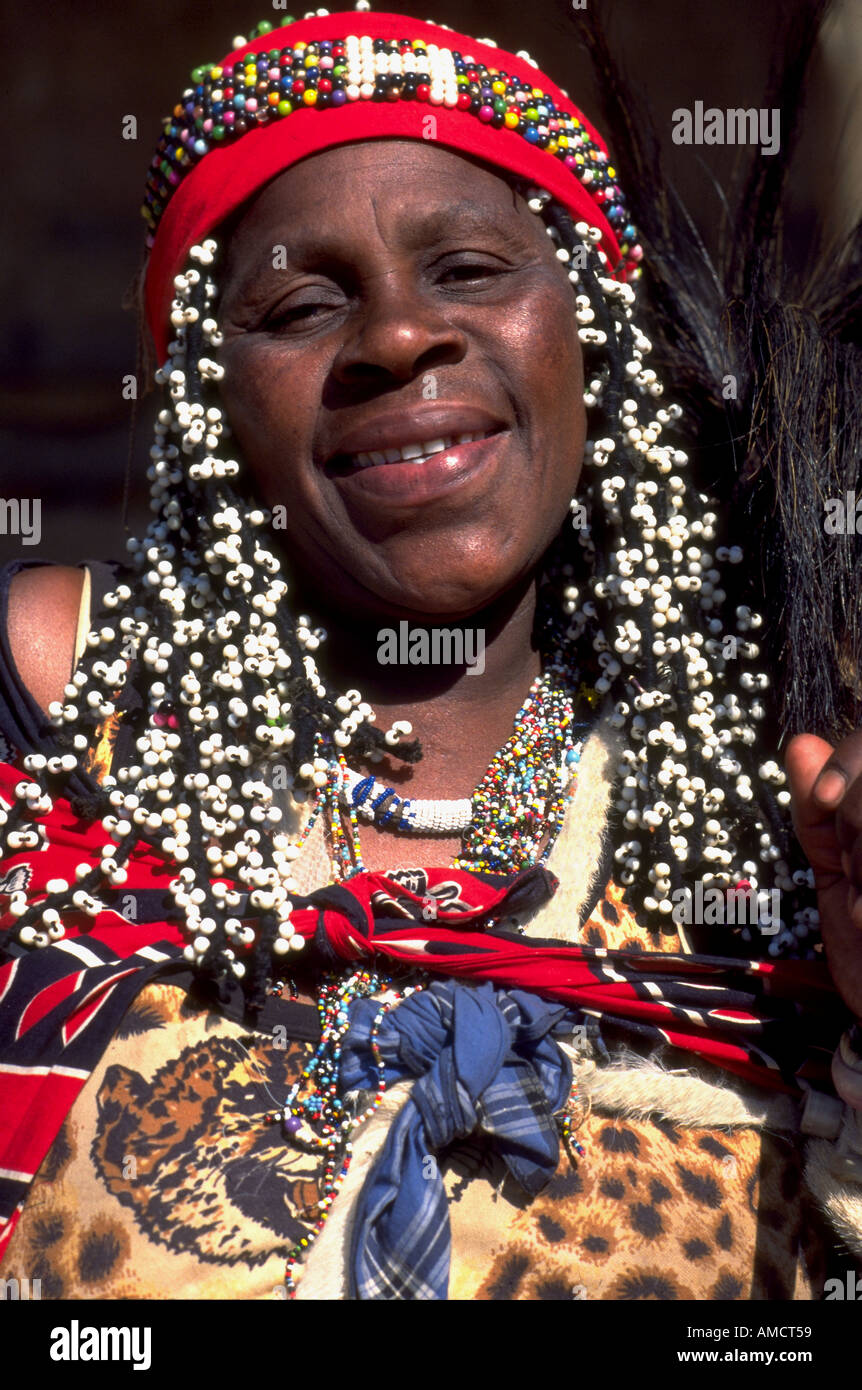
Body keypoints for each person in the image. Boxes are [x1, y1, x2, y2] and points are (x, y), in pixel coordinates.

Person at [1, 3, 861, 1302]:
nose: (399, 337)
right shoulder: (61, 730)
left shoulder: (787, 799)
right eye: (299, 302)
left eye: (467, 270)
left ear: (593, 337)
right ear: (208, 401)